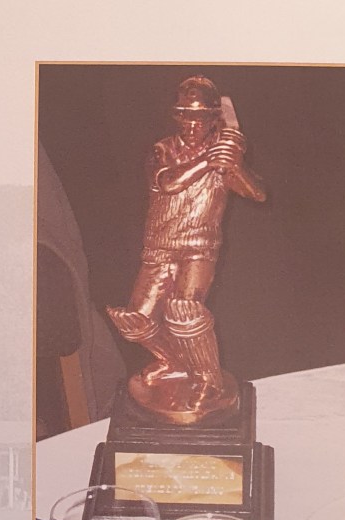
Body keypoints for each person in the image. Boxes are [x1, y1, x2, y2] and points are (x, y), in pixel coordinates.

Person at [106, 76, 266, 416]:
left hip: (198, 246)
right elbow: (168, 182)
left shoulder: (223, 155)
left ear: (213, 119)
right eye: (186, 117)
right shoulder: (163, 150)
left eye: (201, 118)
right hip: (160, 246)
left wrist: (234, 166)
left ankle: (208, 380)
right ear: (177, 117)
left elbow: (257, 193)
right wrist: (210, 159)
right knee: (135, 320)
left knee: (185, 311)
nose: (192, 126)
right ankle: (174, 363)